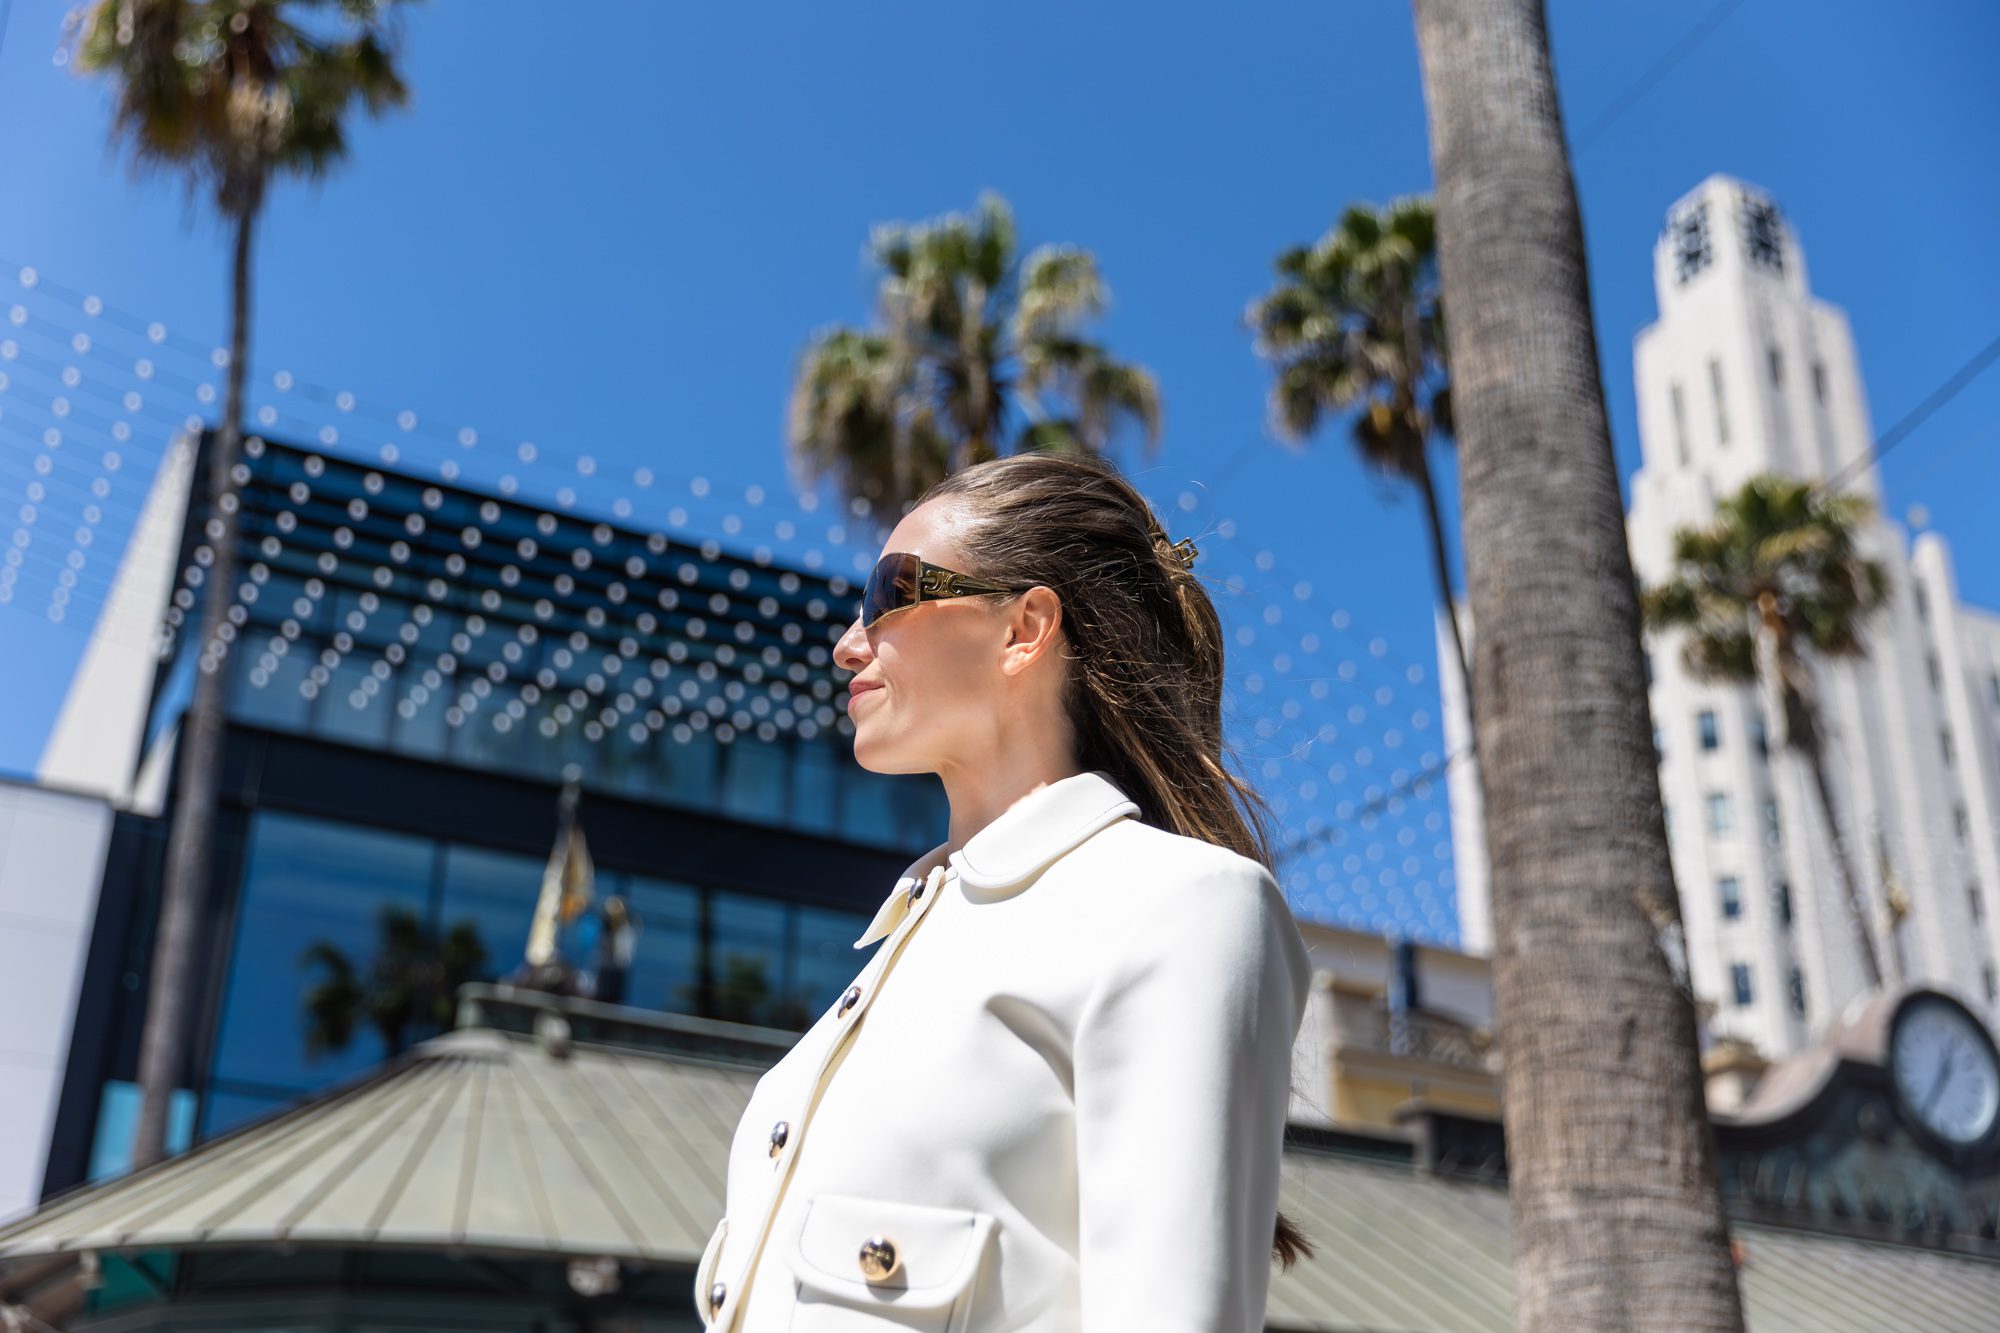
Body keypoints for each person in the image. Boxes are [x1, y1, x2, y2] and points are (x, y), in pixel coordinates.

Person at [695, 454, 1313, 1331]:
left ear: (1024, 628)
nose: (847, 642)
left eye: (888, 592)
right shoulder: (897, 956)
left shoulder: (1177, 908)